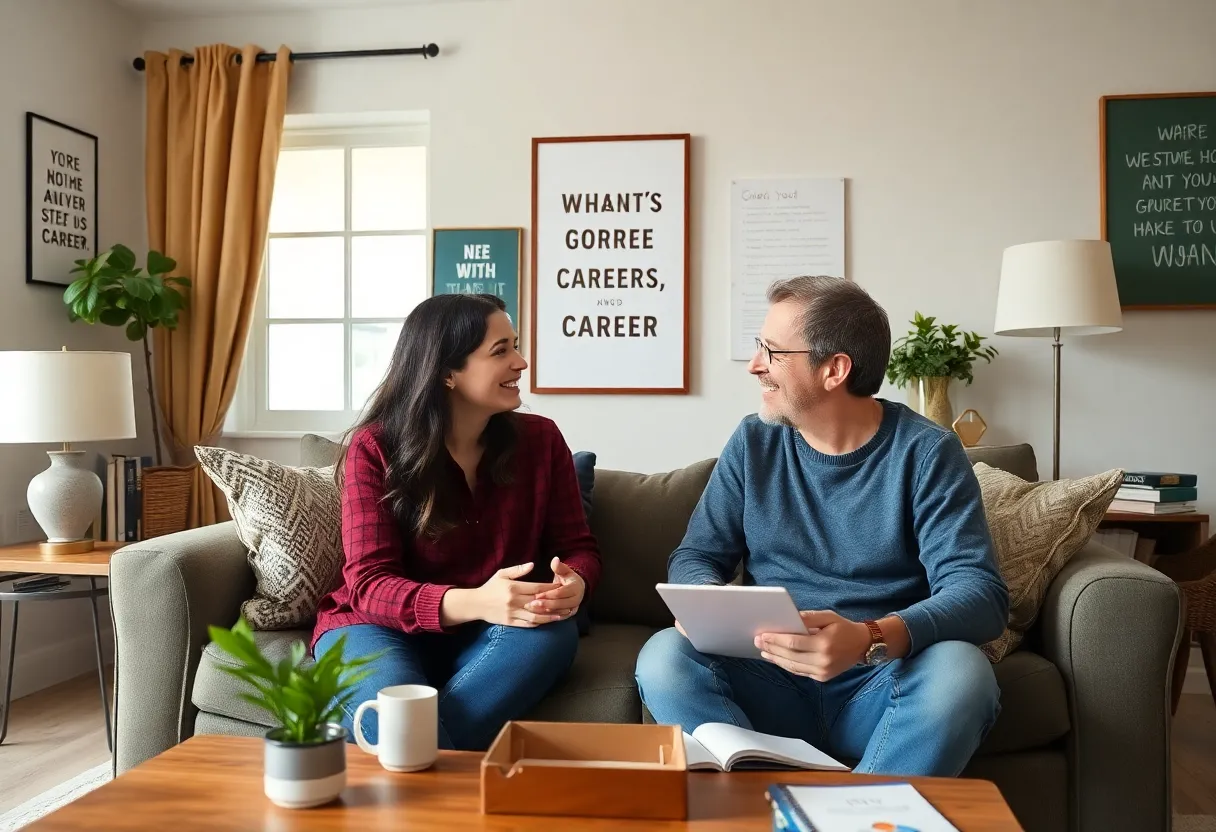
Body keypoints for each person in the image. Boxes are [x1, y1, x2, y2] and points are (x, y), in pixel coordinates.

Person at [635, 275, 1009, 777]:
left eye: (772, 351)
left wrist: (869, 637)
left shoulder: (926, 452)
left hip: (878, 682)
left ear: (834, 369)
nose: (755, 365)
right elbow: (697, 554)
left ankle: (858, 809)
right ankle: (763, 800)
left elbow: (980, 594)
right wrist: (705, 601)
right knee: (664, 656)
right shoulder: (753, 442)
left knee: (963, 674)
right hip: (767, 677)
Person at [312, 293, 600, 752]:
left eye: (515, 346)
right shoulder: (375, 447)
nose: (521, 362)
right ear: (447, 371)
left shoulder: (542, 441)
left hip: (496, 629)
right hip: (375, 626)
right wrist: (477, 601)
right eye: (501, 351)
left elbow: (578, 546)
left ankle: (402, 753)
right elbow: (369, 584)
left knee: (554, 633)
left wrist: (576, 582)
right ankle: (429, 767)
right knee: (395, 720)